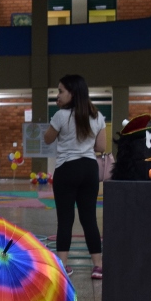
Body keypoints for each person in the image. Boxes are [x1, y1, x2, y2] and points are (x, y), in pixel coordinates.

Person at [43, 74, 106, 279]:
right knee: (89, 219)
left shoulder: (61, 116)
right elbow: (101, 146)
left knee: (65, 219)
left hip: (67, 169)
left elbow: (47, 138)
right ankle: (98, 266)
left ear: (72, 93)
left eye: (61, 91)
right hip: (89, 169)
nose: (58, 95)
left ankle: (63, 265)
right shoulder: (97, 116)